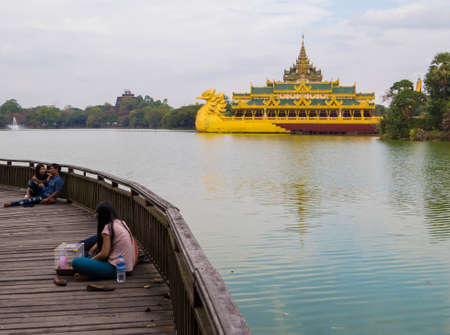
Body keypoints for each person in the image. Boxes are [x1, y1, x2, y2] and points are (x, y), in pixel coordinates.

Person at [72, 201, 136, 280]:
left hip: (117, 269)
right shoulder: (122, 223)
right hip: (127, 265)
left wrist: (90, 261)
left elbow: (104, 254)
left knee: (76, 262)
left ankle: (91, 275)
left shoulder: (108, 228)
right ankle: (90, 274)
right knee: (89, 257)